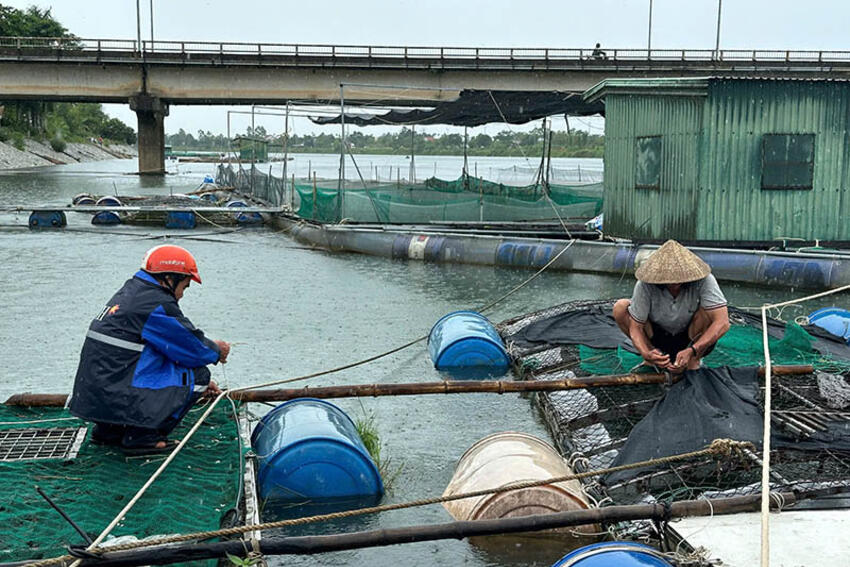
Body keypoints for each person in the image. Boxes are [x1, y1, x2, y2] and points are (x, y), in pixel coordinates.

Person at [69, 245, 231, 454]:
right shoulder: (156, 303)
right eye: (184, 287)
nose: (181, 295)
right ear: (169, 279)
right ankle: (143, 436)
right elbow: (193, 349)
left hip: (93, 398)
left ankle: (108, 431)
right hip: (116, 392)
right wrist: (217, 350)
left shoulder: (130, 292)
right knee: (199, 375)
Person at [612, 240, 730, 373]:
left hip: (690, 335)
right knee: (620, 307)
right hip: (657, 334)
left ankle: (693, 360)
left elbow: (723, 322)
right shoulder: (644, 285)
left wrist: (693, 350)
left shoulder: (705, 280)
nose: (674, 283)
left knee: (710, 311)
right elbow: (636, 327)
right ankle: (653, 358)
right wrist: (646, 352)